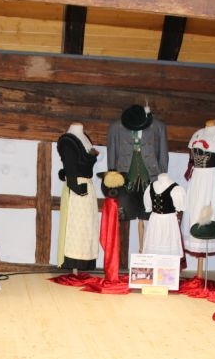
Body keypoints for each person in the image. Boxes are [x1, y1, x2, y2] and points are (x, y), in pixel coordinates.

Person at [106, 104, 168, 251]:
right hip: (125, 176)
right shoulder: (115, 127)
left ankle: (147, 251)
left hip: (151, 175)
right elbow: (111, 153)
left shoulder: (158, 126)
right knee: (124, 213)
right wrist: (113, 176)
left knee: (150, 215)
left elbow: (163, 154)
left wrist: (162, 177)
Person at [180, 120, 215, 272]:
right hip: (196, 180)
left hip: (211, 181)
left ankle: (201, 267)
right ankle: (197, 270)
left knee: (206, 213)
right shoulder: (196, 134)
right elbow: (192, 161)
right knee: (193, 213)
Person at [56, 122, 100, 271]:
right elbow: (69, 167)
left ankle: (83, 262)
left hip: (88, 187)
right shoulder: (67, 141)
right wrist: (76, 187)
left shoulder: (85, 138)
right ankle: (73, 263)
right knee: (75, 226)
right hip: (76, 188)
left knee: (87, 227)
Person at [141, 172, 184, 257]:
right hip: (155, 221)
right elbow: (148, 206)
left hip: (169, 221)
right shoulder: (150, 187)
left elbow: (180, 207)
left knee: (168, 244)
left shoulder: (176, 188)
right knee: (155, 242)